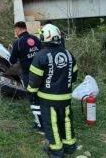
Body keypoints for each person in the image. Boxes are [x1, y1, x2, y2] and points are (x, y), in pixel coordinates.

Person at [27, 23, 79, 158]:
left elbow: (34, 81)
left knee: (51, 124)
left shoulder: (40, 56)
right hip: (66, 97)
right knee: (66, 120)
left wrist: (31, 94)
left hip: (48, 98)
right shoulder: (68, 54)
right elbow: (73, 76)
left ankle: (56, 151)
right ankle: (69, 146)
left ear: (44, 38)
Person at [9, 21, 43, 134]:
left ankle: (39, 125)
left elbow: (12, 60)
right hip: (42, 72)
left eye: (15, 31)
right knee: (42, 96)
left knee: (33, 98)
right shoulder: (36, 39)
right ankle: (46, 120)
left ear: (18, 30)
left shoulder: (17, 43)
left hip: (29, 75)